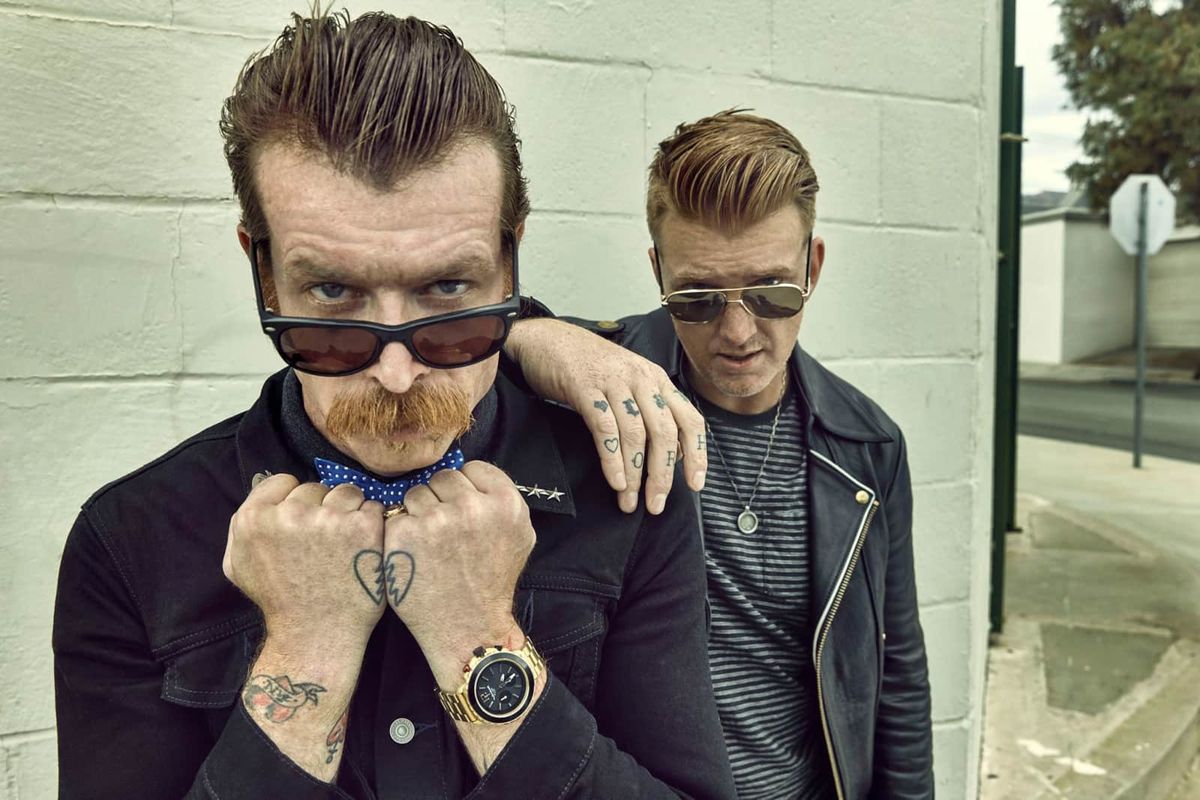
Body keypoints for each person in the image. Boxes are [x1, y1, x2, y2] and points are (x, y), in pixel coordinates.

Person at [51, 11, 736, 799]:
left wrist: (479, 639)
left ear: (509, 260)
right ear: (264, 274)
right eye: (331, 293)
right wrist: (305, 651)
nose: (399, 373)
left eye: (447, 288)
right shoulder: (131, 540)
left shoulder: (626, 495)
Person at [505, 110, 935, 799]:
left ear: (813, 267)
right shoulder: (597, 397)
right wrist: (532, 333)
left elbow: (897, 673)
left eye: (770, 293)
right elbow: (452, 343)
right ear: (658, 272)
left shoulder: (867, 446)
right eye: (699, 298)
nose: (738, 331)